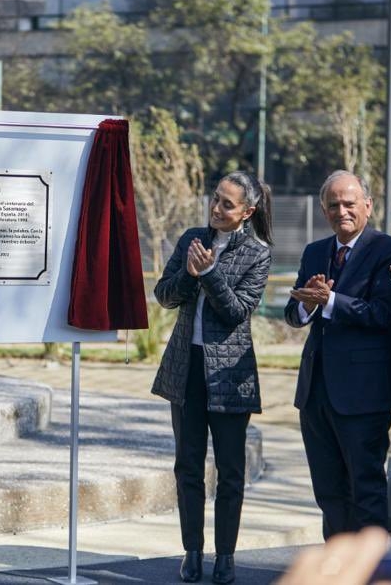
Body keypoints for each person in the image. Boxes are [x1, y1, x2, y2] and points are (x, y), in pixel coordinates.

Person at [152, 171, 273, 585]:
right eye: (216, 200)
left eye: (227, 204)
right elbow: (165, 295)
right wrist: (190, 272)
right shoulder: (192, 239)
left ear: (247, 211)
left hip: (229, 374)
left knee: (230, 470)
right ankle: (192, 551)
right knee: (187, 465)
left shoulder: (258, 253)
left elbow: (237, 311)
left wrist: (210, 274)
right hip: (185, 369)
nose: (217, 209)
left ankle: (226, 556)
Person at [285, 170, 391, 540]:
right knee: (329, 491)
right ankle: (337, 567)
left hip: (363, 395)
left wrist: (332, 301)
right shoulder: (315, 252)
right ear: (323, 210)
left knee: (365, 489)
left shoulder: (387, 250)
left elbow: (382, 314)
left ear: (367, 205)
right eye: (333, 205)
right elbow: (294, 312)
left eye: (349, 203)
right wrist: (308, 305)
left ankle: (370, 571)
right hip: (315, 393)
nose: (342, 211)